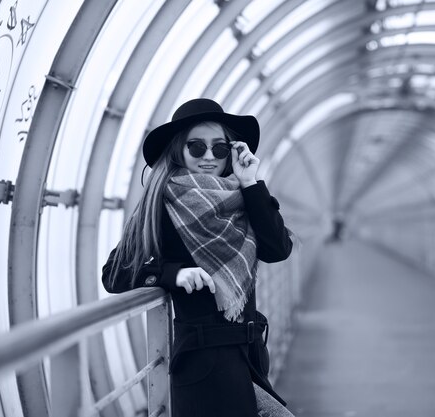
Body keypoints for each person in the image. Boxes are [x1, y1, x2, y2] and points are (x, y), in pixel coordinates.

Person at [101, 98, 294, 417]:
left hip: (250, 357)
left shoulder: (243, 198)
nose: (208, 156)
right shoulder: (162, 204)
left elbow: (278, 249)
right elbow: (114, 274)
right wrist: (171, 275)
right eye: (196, 147)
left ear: (232, 151)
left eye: (219, 148)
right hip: (205, 365)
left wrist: (250, 183)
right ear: (179, 150)